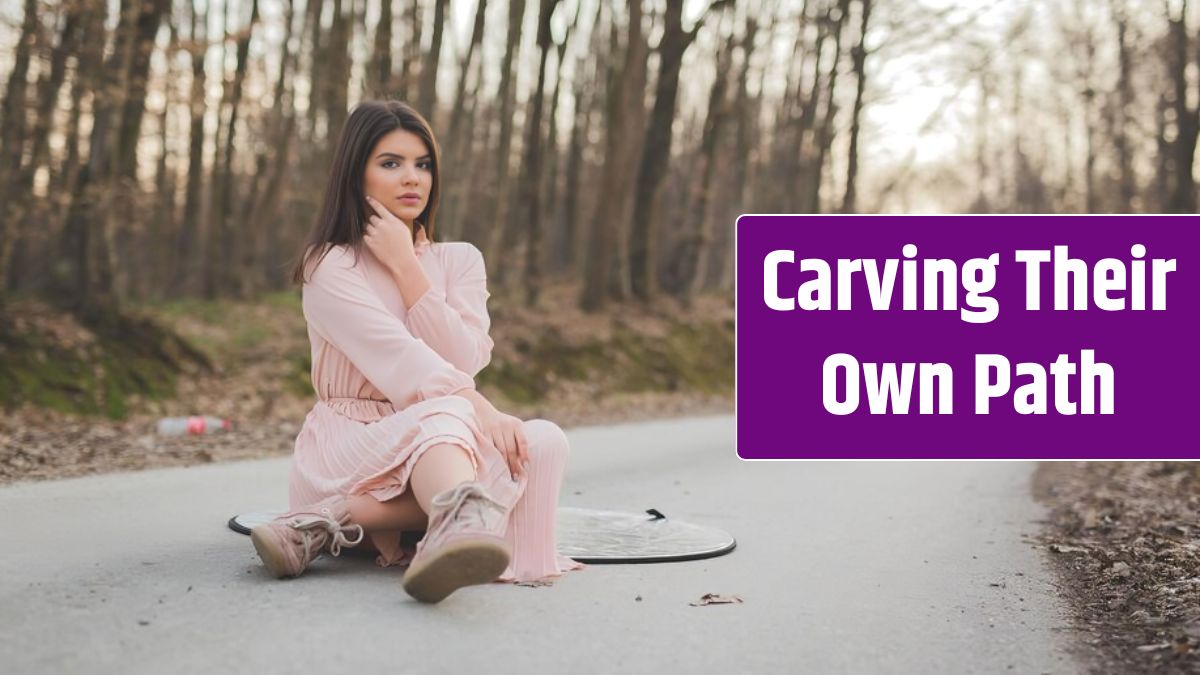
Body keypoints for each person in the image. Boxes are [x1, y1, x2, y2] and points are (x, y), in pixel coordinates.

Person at [249, 100, 582, 603]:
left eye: (422, 164)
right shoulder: (330, 265)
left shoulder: (460, 260)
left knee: (542, 441)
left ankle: (335, 520)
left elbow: (464, 359)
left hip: (442, 439)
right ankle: (451, 524)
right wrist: (484, 410)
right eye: (391, 163)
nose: (413, 178)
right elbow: (400, 360)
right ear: (355, 173)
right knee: (446, 412)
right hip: (353, 442)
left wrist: (409, 268)